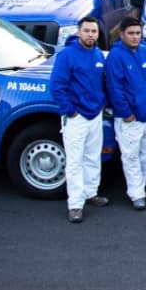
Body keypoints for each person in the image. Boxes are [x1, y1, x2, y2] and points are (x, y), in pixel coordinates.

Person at [50, 16, 109, 223]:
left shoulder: (98, 54)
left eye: (94, 31)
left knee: (92, 156)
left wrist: (101, 104)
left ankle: (91, 193)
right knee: (75, 161)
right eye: (87, 31)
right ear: (79, 32)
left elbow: (102, 83)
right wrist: (70, 111)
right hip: (76, 117)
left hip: (95, 114)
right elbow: (57, 86)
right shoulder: (67, 55)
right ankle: (75, 205)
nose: (90, 35)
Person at [106, 17, 146, 211]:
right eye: (130, 33)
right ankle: (136, 193)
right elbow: (115, 88)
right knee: (131, 156)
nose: (135, 37)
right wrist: (125, 112)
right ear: (122, 34)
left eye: (138, 33)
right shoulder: (115, 56)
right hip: (130, 118)